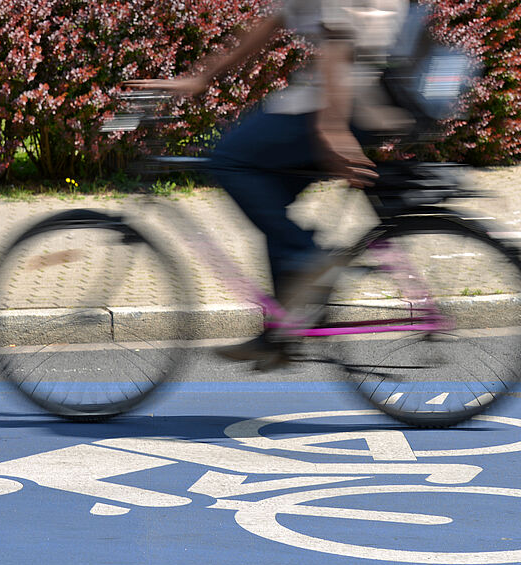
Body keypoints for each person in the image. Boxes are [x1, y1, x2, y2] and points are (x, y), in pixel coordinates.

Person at [128, 0, 412, 365]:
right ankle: (282, 328)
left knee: (231, 160)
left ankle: (309, 261)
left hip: (348, 101)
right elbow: (265, 26)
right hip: (347, 98)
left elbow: (339, 41)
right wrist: (202, 77)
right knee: (268, 204)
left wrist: (332, 127)